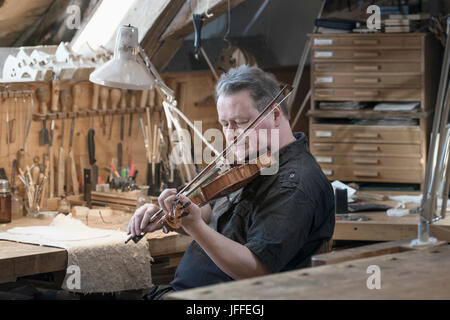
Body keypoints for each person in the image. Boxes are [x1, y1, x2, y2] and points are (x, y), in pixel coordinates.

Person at [127, 65, 335, 300]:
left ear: (275, 115)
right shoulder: (258, 164)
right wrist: (172, 215)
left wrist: (195, 227)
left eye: (241, 122)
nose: (231, 134)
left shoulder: (294, 184)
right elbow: (213, 213)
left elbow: (257, 269)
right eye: (225, 124)